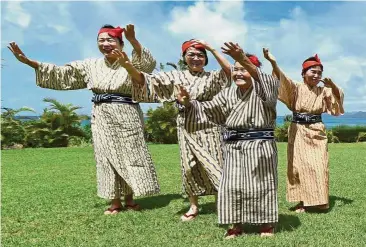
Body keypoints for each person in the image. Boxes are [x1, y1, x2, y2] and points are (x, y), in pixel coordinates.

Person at [8, 24, 160, 215]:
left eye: (110, 40)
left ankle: (130, 199)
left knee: (130, 153)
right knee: (106, 157)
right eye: (101, 40)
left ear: (120, 43)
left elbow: (147, 66)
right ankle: (115, 202)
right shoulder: (90, 65)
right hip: (101, 114)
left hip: (127, 113)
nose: (105, 44)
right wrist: (30, 63)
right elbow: (63, 73)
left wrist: (134, 41)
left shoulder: (130, 61)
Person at [114, 39, 231, 221]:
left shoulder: (213, 76)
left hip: (211, 124)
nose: (196, 58)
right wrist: (128, 66)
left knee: (217, 164)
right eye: (191, 54)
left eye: (200, 55)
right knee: (189, 167)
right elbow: (146, 81)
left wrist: (212, 48)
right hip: (186, 125)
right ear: (184, 57)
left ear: (206, 59)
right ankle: (193, 206)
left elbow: (230, 73)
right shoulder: (174, 77)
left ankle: (219, 202)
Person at [176, 42, 279, 238]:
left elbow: (265, 80)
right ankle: (236, 224)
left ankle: (266, 223)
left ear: (254, 71)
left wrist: (242, 57)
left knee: (262, 184)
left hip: (260, 146)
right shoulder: (228, 93)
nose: (238, 73)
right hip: (233, 147)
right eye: (236, 70)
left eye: (244, 69)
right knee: (232, 185)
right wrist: (188, 102)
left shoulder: (266, 88)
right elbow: (207, 109)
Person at [263, 48, 344, 213]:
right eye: (313, 71)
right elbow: (282, 80)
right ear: (303, 73)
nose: (316, 75)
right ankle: (302, 202)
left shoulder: (324, 90)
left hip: (316, 131)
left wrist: (332, 85)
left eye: (319, 73)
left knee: (319, 165)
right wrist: (272, 62)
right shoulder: (296, 87)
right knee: (298, 166)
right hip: (297, 129)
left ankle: (320, 201)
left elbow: (338, 101)